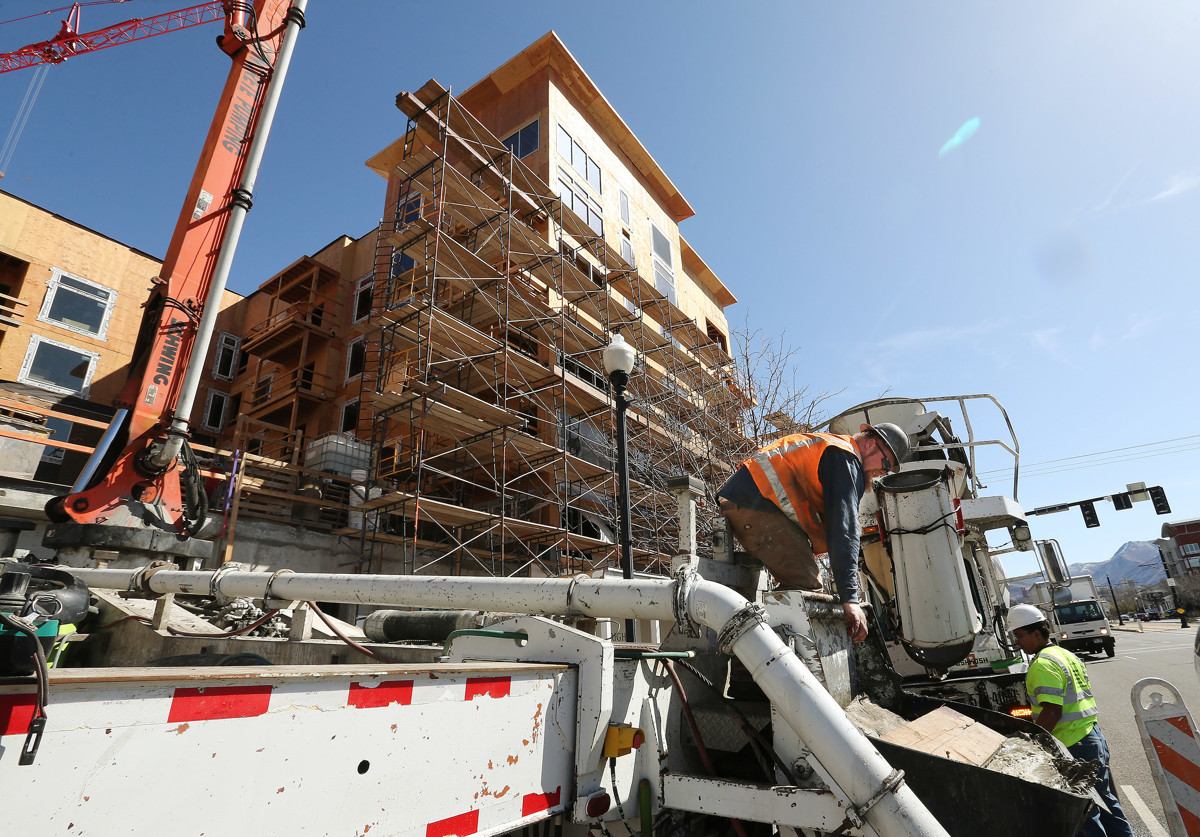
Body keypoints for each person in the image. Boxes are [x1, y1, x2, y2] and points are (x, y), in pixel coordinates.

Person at [716, 422, 910, 643]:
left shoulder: (835, 452)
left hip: (754, 501)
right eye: (886, 463)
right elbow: (844, 529)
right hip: (754, 503)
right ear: (870, 445)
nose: (882, 472)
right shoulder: (845, 458)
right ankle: (774, 668)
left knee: (807, 581)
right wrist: (850, 599)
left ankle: (754, 661)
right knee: (803, 583)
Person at [1007, 603, 1135, 837]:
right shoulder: (1064, 654)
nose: (1017, 642)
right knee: (1106, 804)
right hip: (1091, 737)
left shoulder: (1043, 664)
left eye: (1019, 635)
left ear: (1037, 632)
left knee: (1083, 811)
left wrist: (1034, 744)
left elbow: (1053, 711)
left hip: (1072, 745)